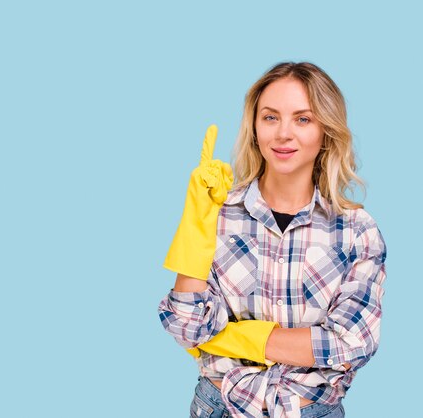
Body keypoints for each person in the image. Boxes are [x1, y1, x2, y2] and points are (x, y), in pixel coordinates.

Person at [159, 62, 387, 418]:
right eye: (270, 117)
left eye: (303, 119)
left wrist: (239, 337)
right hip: (220, 407)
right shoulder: (217, 214)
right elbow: (188, 325)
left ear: (326, 131)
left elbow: (350, 342)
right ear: (254, 127)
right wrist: (196, 223)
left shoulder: (357, 232)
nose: (283, 134)